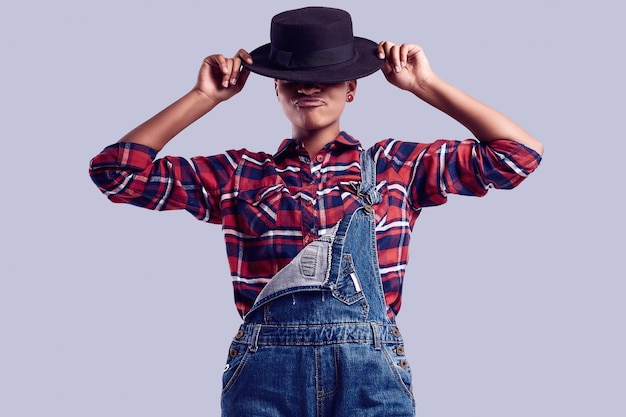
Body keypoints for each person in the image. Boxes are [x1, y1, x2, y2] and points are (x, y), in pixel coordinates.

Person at [89, 6, 543, 417]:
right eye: (293, 78)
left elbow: (518, 155)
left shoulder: (395, 167)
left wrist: (425, 85)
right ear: (276, 90)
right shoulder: (237, 173)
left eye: (324, 76)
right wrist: (203, 97)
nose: (307, 86)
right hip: (266, 374)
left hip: (368, 372)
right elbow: (115, 173)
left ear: (351, 89)